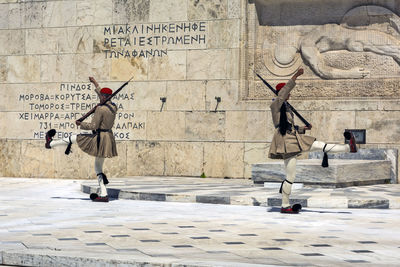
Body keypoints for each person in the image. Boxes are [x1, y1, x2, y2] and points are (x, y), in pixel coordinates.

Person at [269, 68, 357, 213]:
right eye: (286, 92)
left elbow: (290, 126)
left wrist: (303, 128)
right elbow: (283, 95)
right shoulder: (276, 105)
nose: (289, 94)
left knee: (321, 145)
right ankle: (285, 206)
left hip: (294, 139)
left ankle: (349, 148)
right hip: (286, 143)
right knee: (290, 176)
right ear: (281, 93)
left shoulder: (285, 107)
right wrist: (295, 76)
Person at [45, 77, 118, 202]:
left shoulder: (101, 109)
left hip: (99, 138)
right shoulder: (113, 107)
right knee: (98, 168)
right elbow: (103, 97)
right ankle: (104, 194)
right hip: (108, 139)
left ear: (105, 97)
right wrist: (95, 83)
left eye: (102, 96)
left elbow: (93, 126)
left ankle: (51, 143)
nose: (100, 97)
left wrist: (81, 124)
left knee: (76, 138)